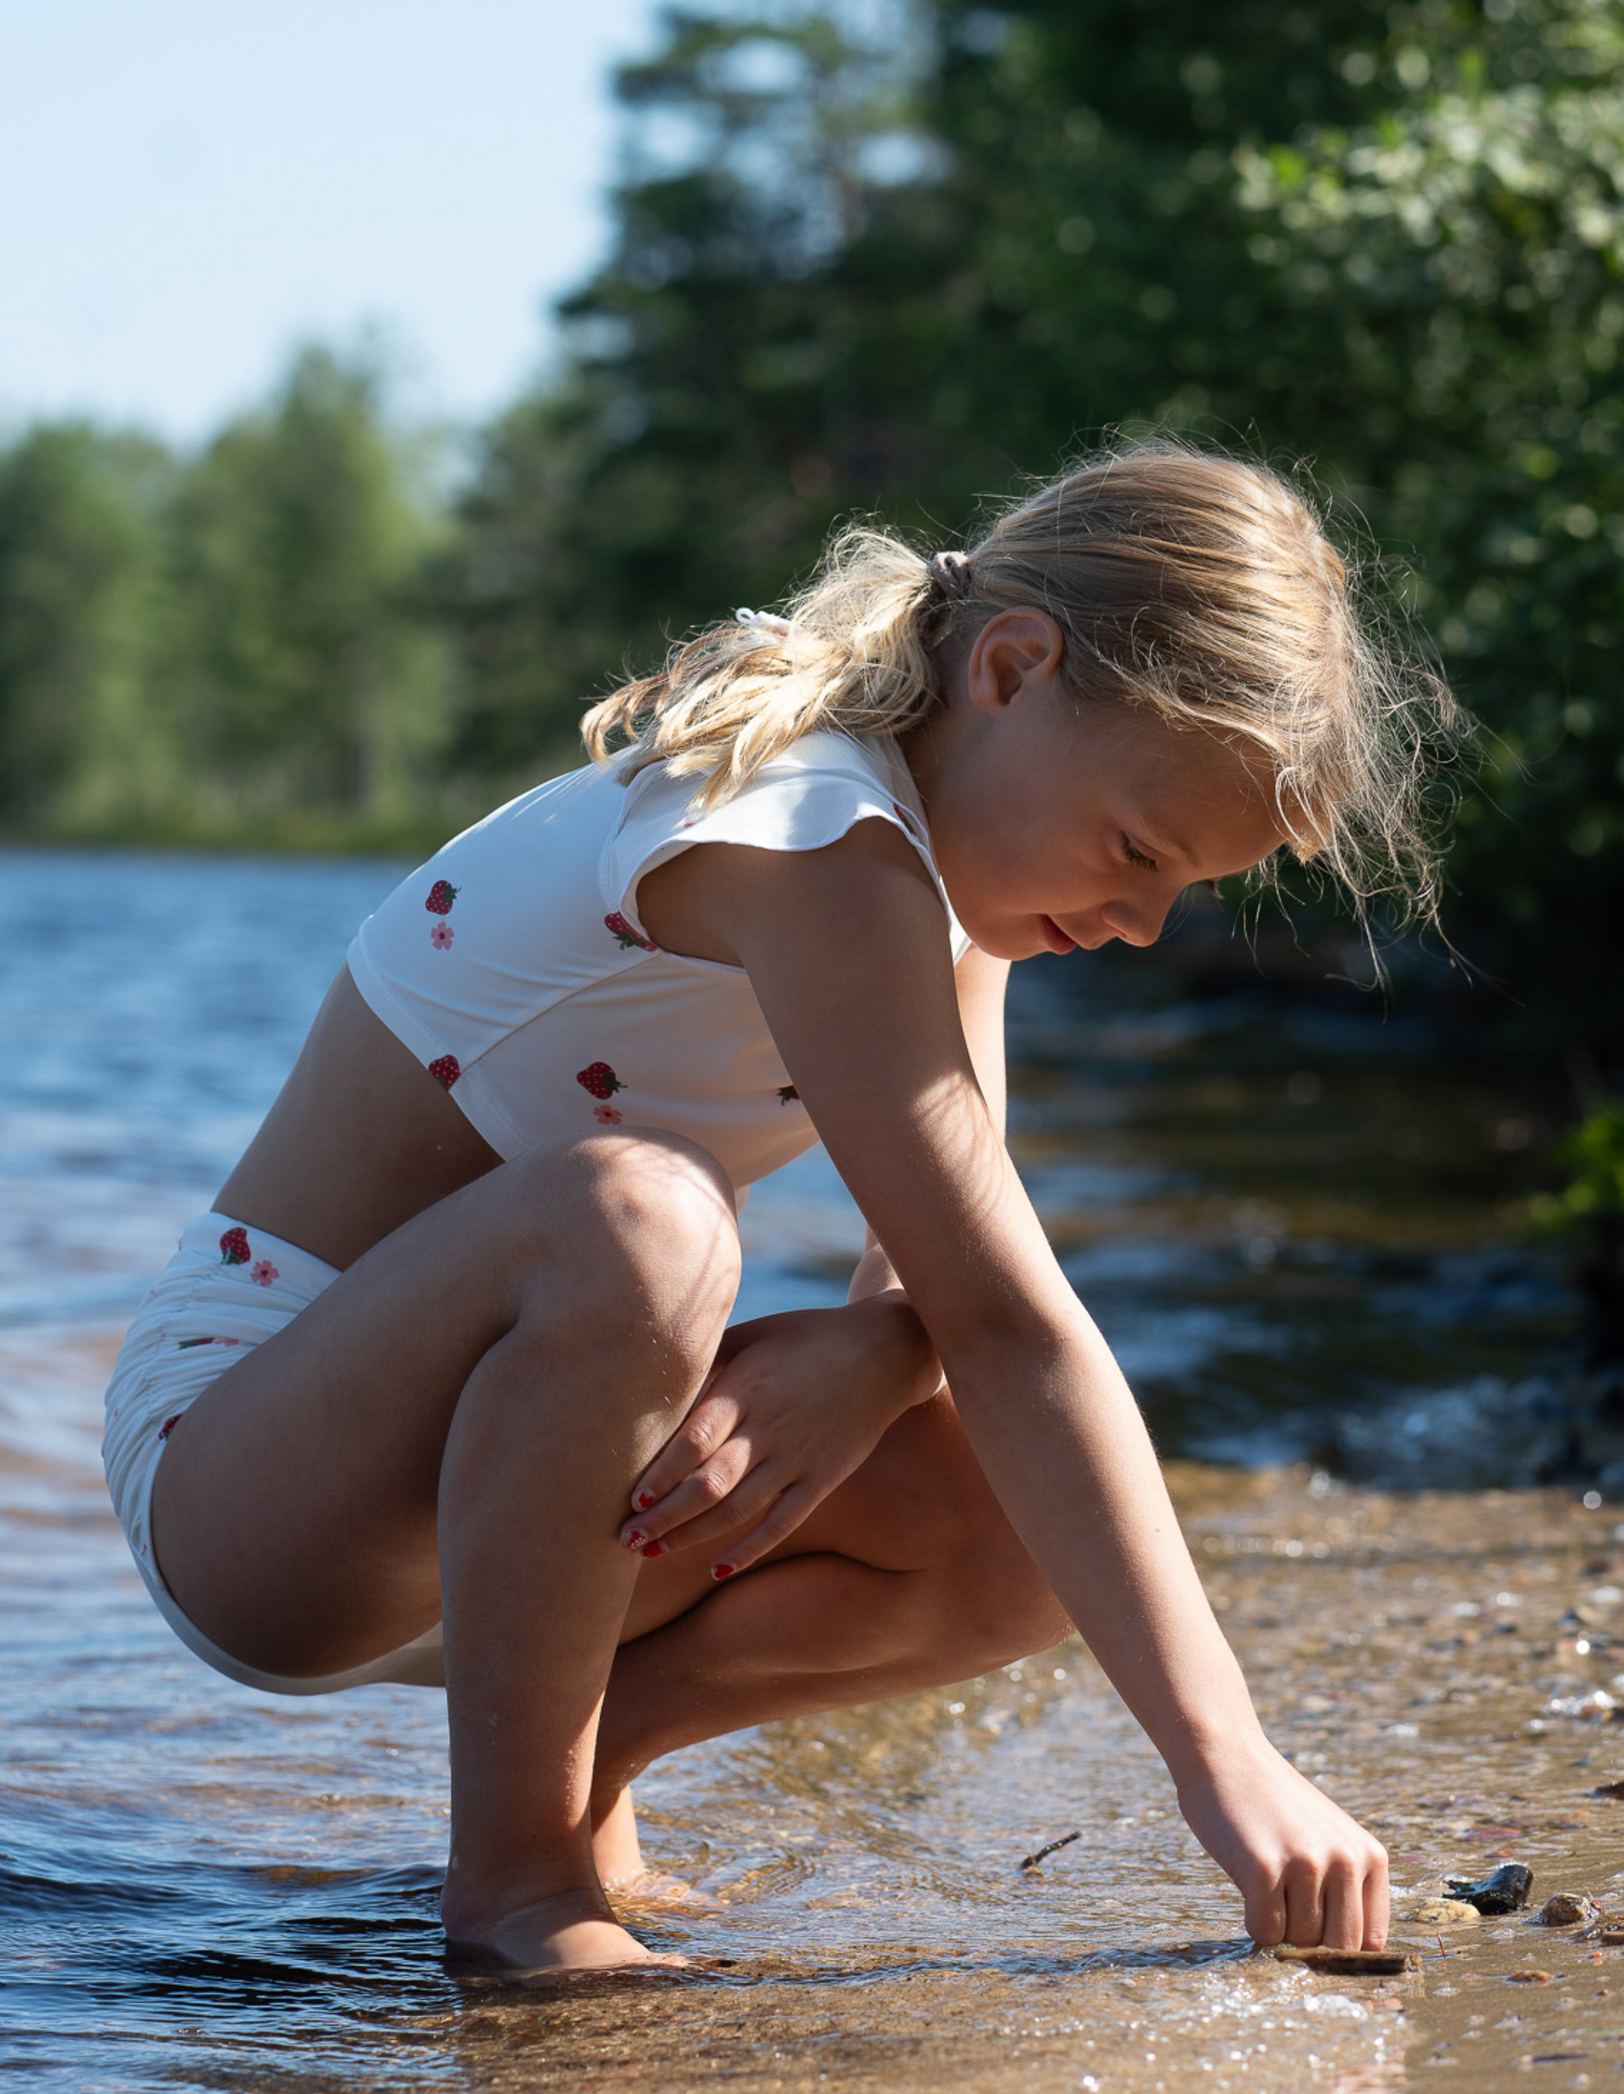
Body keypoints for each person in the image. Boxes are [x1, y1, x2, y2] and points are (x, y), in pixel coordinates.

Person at [102, 444, 1456, 1981]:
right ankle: (519, 1885)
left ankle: (581, 1757)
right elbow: (1007, 1323)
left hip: (505, 1518)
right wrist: (1228, 1757)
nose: (1142, 922)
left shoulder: (945, 892)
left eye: (1181, 890)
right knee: (643, 1222)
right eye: (1136, 849)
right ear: (1009, 667)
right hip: (251, 1486)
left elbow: (955, 1284)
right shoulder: (808, 830)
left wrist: (880, 1350)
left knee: (1020, 1524)